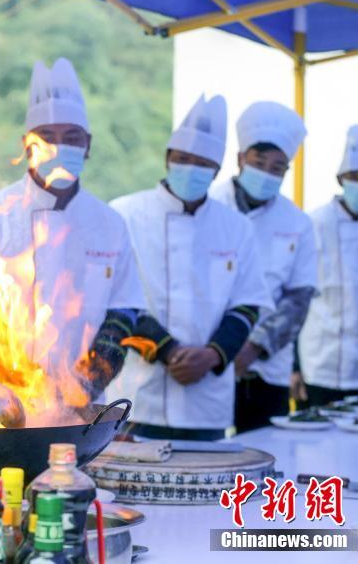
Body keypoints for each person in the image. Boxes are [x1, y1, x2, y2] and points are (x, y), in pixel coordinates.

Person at [0, 58, 144, 403]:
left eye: (72, 138)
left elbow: (123, 313)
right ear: (26, 144)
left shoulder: (109, 223)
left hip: (78, 405)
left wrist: (83, 387)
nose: (59, 147)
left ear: (88, 145)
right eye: (47, 136)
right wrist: (21, 384)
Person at [107, 94, 271, 441]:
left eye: (203, 163)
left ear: (217, 170)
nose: (192, 169)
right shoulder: (123, 214)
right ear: (168, 158)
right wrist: (167, 350)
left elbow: (249, 302)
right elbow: (116, 297)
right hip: (137, 393)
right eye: (183, 159)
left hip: (206, 400)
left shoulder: (236, 226)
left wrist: (212, 355)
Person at [209, 101, 317, 432]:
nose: (268, 174)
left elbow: (297, 301)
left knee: (264, 460)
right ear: (241, 158)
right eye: (260, 163)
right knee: (204, 458)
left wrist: (251, 350)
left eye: (278, 168)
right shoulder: (209, 206)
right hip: (205, 361)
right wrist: (220, 351)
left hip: (266, 369)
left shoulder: (297, 222)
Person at [296, 125, 358, 406]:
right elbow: (296, 299)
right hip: (321, 365)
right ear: (341, 178)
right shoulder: (313, 224)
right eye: (356, 177)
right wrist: (294, 367)